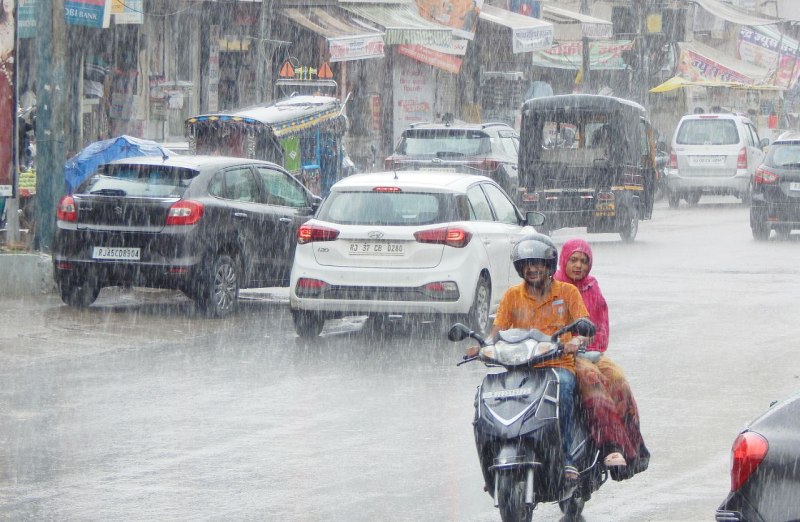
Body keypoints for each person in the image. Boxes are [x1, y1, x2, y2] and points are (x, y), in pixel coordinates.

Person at [467, 235, 590, 485]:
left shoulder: (568, 292)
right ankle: (494, 453)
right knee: (487, 395)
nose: (532, 269)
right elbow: (496, 332)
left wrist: (575, 342)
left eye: (538, 264)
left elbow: (584, 329)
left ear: (549, 266)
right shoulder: (512, 295)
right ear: (520, 268)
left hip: (556, 367)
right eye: (527, 264)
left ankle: (567, 458)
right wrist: (482, 347)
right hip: (520, 368)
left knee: (565, 390)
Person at [554, 238, 650, 480]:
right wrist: (569, 343)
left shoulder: (591, 287)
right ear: (564, 259)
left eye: (583, 261)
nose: (578, 266)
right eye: (573, 260)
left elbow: (601, 327)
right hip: (563, 354)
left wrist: (588, 343)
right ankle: (611, 445)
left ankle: (633, 448)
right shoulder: (555, 288)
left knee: (617, 378)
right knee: (590, 378)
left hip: (591, 351)